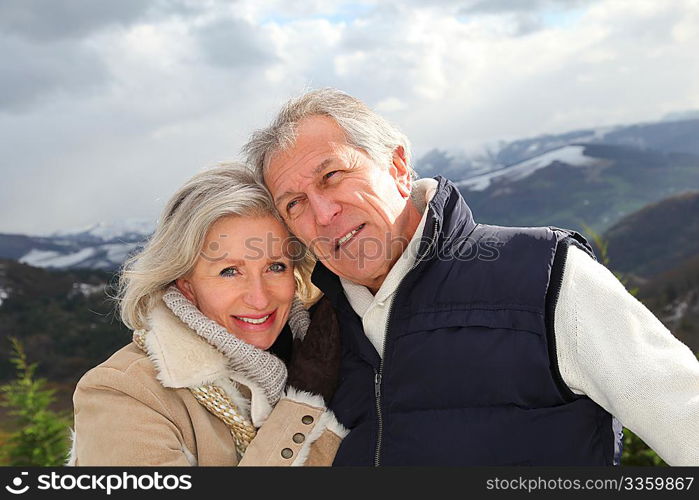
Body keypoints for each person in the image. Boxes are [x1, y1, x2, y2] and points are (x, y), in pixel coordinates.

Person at [242, 88, 699, 466]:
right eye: (294, 204)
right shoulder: (309, 331)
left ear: (398, 168)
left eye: (333, 176)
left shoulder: (544, 276)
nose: (323, 214)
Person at [69, 165, 345, 466]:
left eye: (276, 266)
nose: (259, 297)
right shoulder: (125, 393)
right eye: (229, 272)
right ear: (186, 285)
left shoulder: (323, 354)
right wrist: (301, 407)